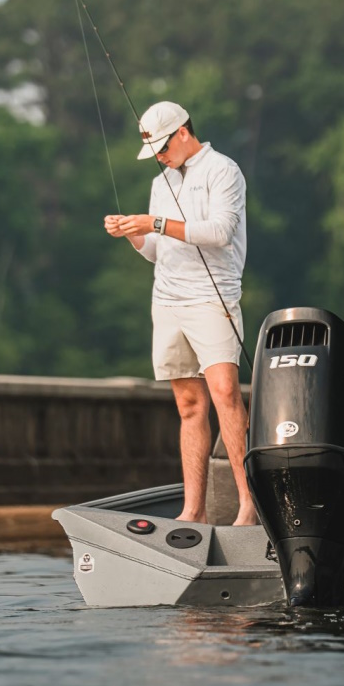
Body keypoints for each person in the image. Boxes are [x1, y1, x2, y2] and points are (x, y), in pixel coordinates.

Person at [104, 101, 257, 526]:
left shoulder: (224, 170)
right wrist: (131, 233)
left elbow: (220, 232)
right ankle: (194, 510)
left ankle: (249, 503)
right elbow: (156, 252)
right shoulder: (161, 182)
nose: (159, 157)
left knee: (225, 394)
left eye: (162, 148)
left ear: (183, 133)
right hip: (168, 300)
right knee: (189, 404)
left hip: (212, 297)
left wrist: (153, 223)